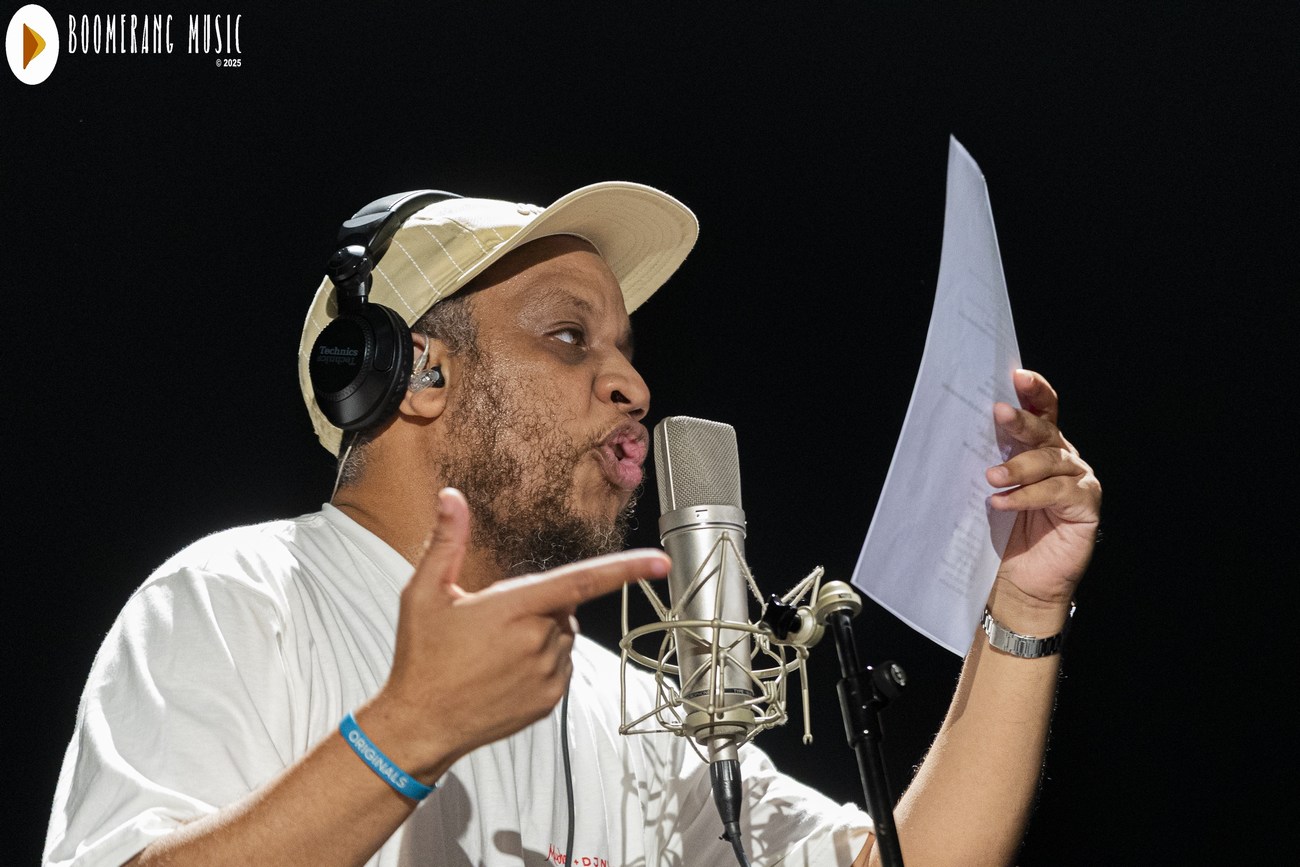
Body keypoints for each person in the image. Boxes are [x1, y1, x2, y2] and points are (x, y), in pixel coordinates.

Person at [44, 181, 1101, 867]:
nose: (631, 385)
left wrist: (1022, 605)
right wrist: (406, 733)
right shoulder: (236, 601)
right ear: (412, 373)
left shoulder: (629, 709)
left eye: (626, 349)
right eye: (568, 337)